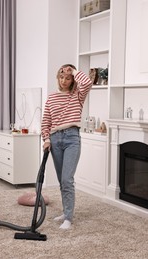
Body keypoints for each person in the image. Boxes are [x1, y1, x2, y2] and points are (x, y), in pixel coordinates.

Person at [41, 64, 92, 230]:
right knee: (61, 181)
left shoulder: (78, 95)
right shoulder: (52, 98)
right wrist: (46, 139)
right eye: (61, 77)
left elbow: (87, 83)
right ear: (58, 78)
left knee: (67, 180)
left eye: (68, 78)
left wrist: (74, 70)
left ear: (73, 80)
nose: (64, 80)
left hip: (72, 138)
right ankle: (66, 211)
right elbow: (46, 121)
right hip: (55, 139)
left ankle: (68, 218)